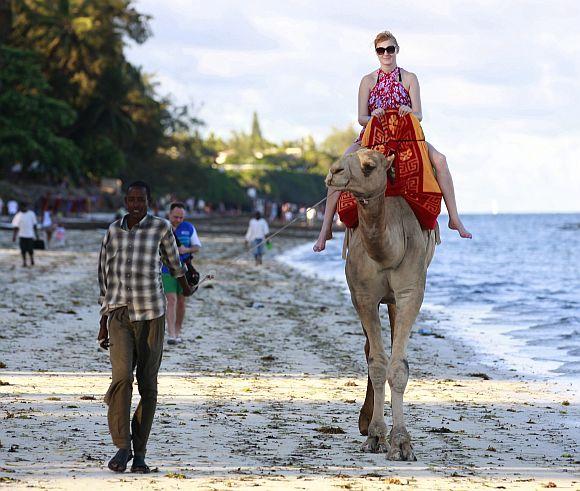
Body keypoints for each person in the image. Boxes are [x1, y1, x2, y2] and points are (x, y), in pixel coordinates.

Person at [314, 30, 471, 252]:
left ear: (397, 50)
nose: (386, 54)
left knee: (441, 161)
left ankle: (454, 218)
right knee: (340, 166)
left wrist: (409, 111)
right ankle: (325, 228)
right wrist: (373, 115)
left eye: (390, 49)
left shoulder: (409, 78)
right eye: (381, 50)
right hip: (372, 138)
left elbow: (419, 115)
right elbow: (361, 118)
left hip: (406, 138)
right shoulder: (368, 81)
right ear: (376, 53)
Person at [97, 181, 193, 474]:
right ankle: (122, 446)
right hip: (119, 314)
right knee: (122, 379)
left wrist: (187, 286)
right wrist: (103, 320)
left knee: (148, 385)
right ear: (126, 200)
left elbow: (175, 264)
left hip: (152, 314)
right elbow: (104, 276)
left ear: (149, 202)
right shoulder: (112, 231)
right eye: (132, 199)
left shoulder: (161, 228)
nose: (136, 204)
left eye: (142, 200)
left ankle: (140, 453)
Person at [162, 202, 202, 345]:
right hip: (166, 270)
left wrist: (186, 250)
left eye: (181, 217)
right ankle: (171, 334)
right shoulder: (162, 227)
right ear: (169, 215)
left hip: (184, 270)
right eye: (175, 217)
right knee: (171, 300)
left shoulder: (189, 228)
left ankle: (178, 332)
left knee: (181, 302)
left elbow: (197, 246)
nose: (178, 220)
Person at [12, 202, 39, 267]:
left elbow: (34, 225)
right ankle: (24, 262)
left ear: (27, 207)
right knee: (23, 250)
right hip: (22, 235)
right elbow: (16, 227)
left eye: (24, 207)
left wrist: (37, 235)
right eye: (22, 207)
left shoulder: (31, 214)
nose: (23, 208)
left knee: (30, 249)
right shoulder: (18, 215)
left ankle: (32, 260)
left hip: (30, 235)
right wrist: (14, 236)